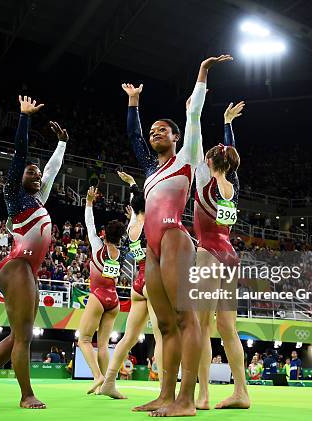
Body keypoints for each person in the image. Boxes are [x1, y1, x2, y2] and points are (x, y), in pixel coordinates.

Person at [122, 55, 230, 416]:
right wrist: (134, 103)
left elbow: (195, 114)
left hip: (174, 238)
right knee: (165, 325)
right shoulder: (152, 171)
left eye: (162, 130)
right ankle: (165, 395)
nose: (155, 134)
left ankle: (187, 399)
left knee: (187, 320)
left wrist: (201, 72)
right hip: (151, 247)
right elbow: (133, 136)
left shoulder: (187, 156)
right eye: (152, 131)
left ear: (176, 136)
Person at [0, 95, 68, 410]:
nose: (37, 177)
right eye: (30, 173)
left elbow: (50, 172)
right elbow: (20, 154)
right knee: (23, 337)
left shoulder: (37, 200)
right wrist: (25, 117)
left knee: (18, 335)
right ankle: (26, 395)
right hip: (17, 266)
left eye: (37, 175)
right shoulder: (15, 196)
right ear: (18, 178)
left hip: (30, 271)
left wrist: (62, 144)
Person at [193, 79, 247, 408]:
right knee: (227, 327)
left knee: (201, 325)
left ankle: (203, 393)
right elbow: (229, 155)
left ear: (210, 162)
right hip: (229, 255)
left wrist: (196, 108)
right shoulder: (234, 185)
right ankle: (241, 392)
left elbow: (195, 137)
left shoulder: (204, 178)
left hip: (208, 253)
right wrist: (227, 125)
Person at [99, 172, 162, 400]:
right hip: (155, 281)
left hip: (138, 283)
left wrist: (133, 185)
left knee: (129, 337)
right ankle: (166, 391)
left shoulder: (132, 227)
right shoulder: (154, 224)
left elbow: (137, 203)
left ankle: (108, 382)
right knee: (161, 336)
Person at [79, 186, 125, 394]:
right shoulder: (119, 253)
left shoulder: (98, 246)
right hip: (113, 300)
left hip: (98, 296)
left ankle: (98, 376)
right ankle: (108, 386)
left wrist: (89, 202)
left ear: (104, 233)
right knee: (104, 345)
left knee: (85, 339)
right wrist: (133, 218)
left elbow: (89, 223)